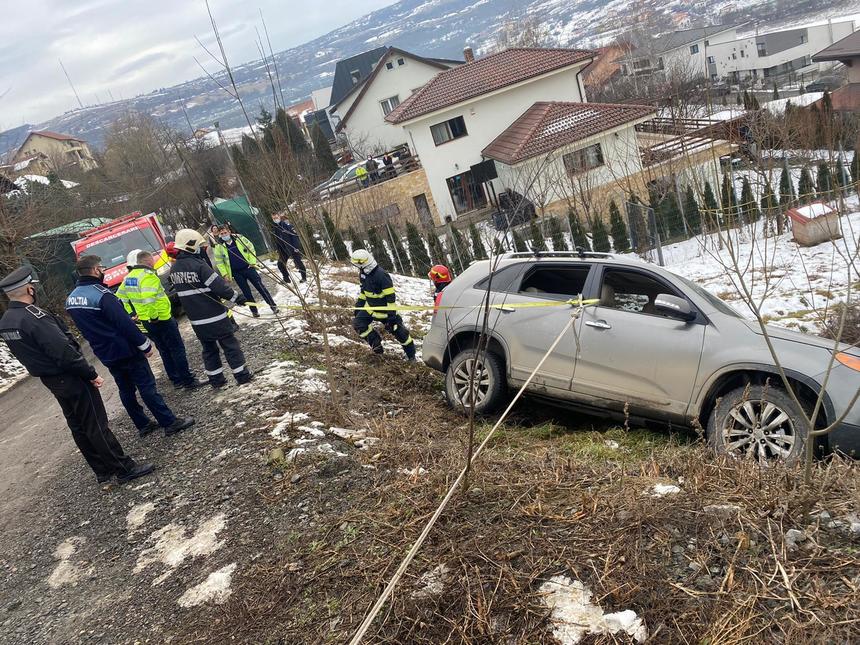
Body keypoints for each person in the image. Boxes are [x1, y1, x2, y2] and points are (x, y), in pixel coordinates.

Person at [0, 267, 154, 485]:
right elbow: (63, 351)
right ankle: (123, 468)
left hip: (51, 380)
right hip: (70, 376)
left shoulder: (7, 321)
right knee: (95, 423)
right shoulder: (35, 317)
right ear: (29, 288)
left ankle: (101, 470)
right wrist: (89, 373)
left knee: (78, 425)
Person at [66, 255, 195, 438]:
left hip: (105, 352)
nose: (102, 271)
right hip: (125, 349)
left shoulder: (71, 299)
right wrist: (144, 344)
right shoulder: (101, 295)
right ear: (95, 271)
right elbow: (124, 323)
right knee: (147, 386)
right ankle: (169, 422)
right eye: (101, 268)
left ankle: (142, 424)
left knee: (125, 389)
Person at [170, 229, 253, 388]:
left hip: (196, 321)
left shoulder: (174, 269)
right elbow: (220, 288)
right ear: (191, 246)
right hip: (215, 316)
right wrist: (238, 298)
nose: (204, 248)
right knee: (230, 345)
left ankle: (216, 380)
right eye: (200, 245)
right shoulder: (199, 266)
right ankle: (242, 376)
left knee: (209, 349)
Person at [117, 249, 205, 390]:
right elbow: (149, 300)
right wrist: (154, 317)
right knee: (177, 349)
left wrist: (131, 313)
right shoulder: (148, 276)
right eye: (152, 260)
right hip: (160, 319)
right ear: (148, 261)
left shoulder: (129, 278)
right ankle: (187, 380)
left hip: (146, 322)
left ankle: (176, 380)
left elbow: (120, 297)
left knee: (164, 350)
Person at [350, 249, 416, 361]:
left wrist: (392, 317)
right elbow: (364, 292)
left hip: (386, 312)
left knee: (401, 333)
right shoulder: (363, 273)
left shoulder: (381, 275)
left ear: (362, 263)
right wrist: (359, 306)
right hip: (370, 309)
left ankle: (411, 357)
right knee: (358, 324)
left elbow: (391, 298)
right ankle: (377, 348)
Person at [213, 225, 279, 318]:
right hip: (236, 273)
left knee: (261, 287)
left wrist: (252, 262)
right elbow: (220, 262)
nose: (224, 235)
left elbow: (250, 248)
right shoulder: (219, 246)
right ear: (219, 235)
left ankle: (273, 306)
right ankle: (254, 311)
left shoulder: (239, 238)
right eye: (222, 234)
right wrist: (225, 274)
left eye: (225, 233)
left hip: (248, 268)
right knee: (247, 293)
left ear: (229, 232)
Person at [271, 212, 307, 284]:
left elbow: (294, 236)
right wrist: (278, 249)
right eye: (274, 218)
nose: (275, 219)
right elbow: (277, 240)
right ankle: (286, 278)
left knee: (298, 263)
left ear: (279, 217)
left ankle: (304, 277)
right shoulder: (275, 228)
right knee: (280, 264)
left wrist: (295, 247)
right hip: (283, 250)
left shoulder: (287, 225)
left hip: (292, 248)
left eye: (276, 218)